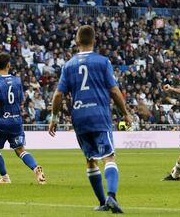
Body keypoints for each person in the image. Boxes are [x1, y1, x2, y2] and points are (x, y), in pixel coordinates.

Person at [48, 25, 132, 213]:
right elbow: (114, 91)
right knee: (109, 157)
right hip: (99, 116)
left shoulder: (68, 65)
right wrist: (125, 112)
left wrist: (54, 117)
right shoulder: (103, 62)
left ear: (76, 42)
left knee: (90, 159)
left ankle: (102, 202)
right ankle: (112, 196)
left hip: (80, 118)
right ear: (94, 41)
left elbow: (58, 95)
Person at [0, 53, 46, 184]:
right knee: (20, 150)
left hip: (1, 122)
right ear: (9, 65)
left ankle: (5, 177)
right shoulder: (17, 81)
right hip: (16, 121)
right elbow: (21, 101)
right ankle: (35, 168)